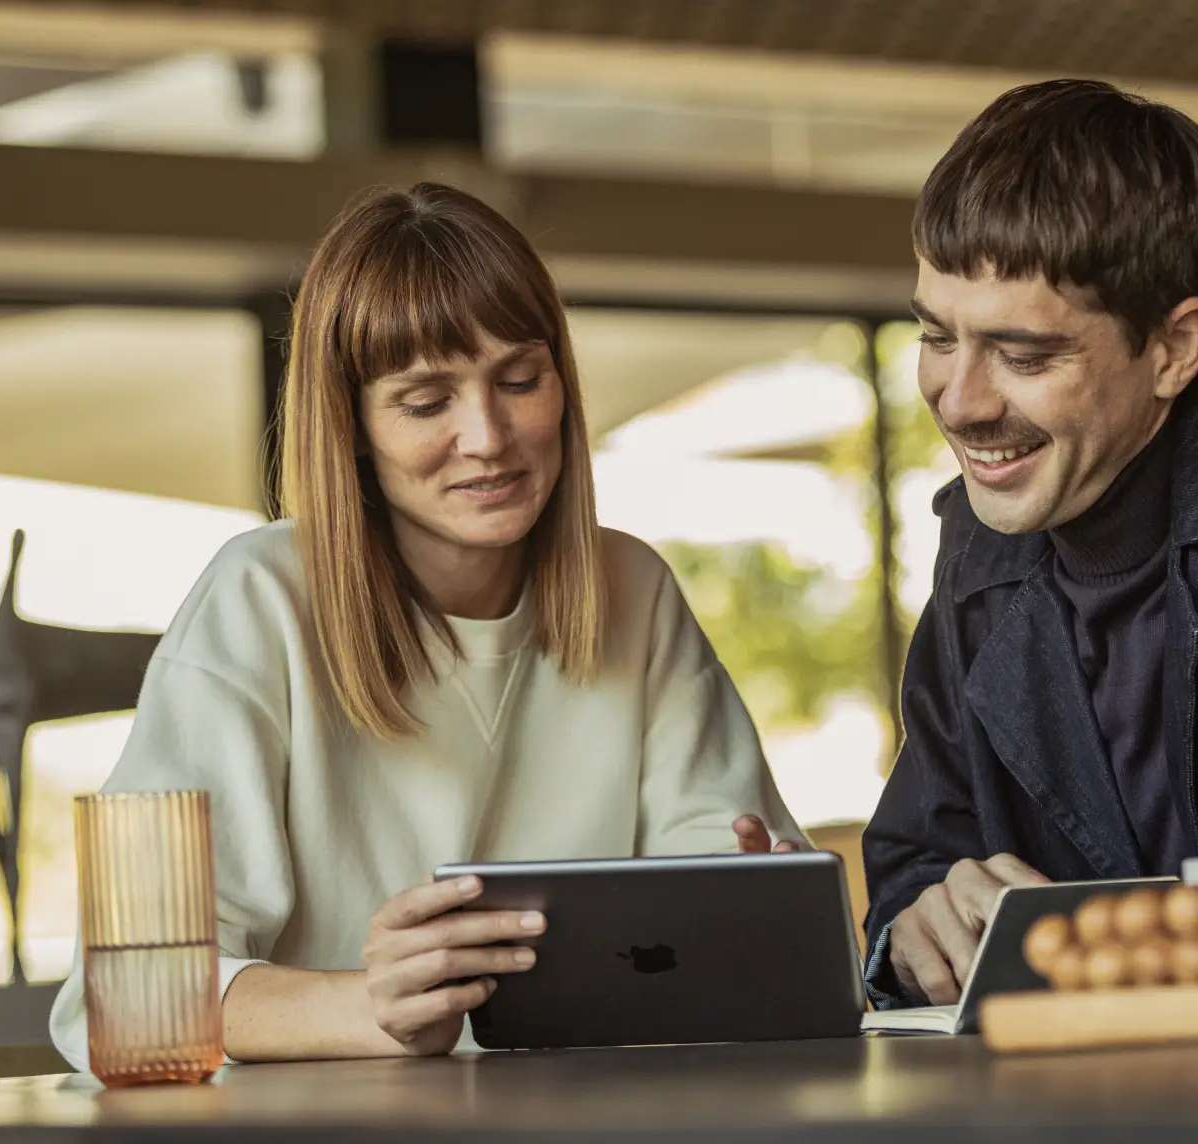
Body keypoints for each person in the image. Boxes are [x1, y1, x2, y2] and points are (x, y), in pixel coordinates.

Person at [50, 182, 801, 1066]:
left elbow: (714, 926)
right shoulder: (259, 599)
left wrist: (756, 903)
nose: (488, 436)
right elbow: (127, 1006)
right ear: (354, 425)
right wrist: (375, 1009)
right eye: (425, 401)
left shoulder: (632, 587)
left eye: (519, 380)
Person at [863, 79, 1198, 1010]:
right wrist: (917, 928)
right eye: (937, 336)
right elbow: (918, 859)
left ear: (1175, 348)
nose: (959, 399)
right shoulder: (974, 542)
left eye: (1025, 356)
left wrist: (1066, 940)